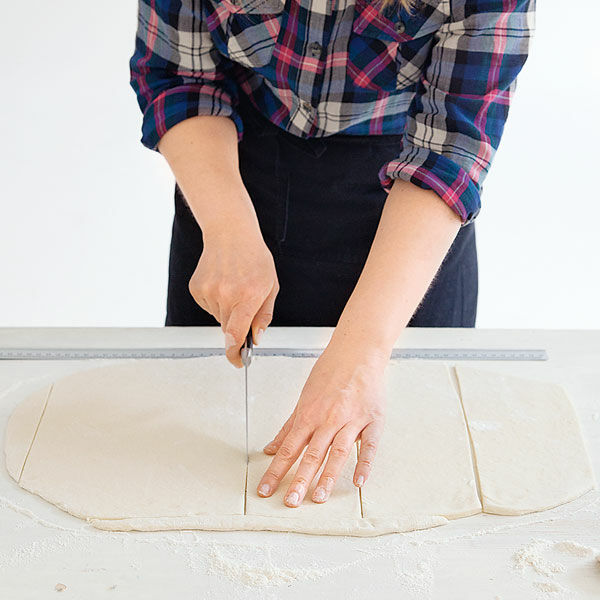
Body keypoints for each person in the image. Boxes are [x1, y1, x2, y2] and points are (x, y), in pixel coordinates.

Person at [129, 0, 535, 509]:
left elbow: (451, 148)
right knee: (187, 461)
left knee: (416, 477)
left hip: (410, 206)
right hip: (232, 170)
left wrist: (362, 353)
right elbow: (180, 76)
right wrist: (228, 230)